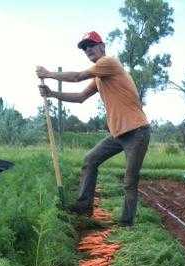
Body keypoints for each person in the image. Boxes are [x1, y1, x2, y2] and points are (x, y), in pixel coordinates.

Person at [36, 30, 150, 226]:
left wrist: (49, 74)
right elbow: (80, 97)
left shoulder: (109, 63)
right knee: (90, 160)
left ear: (102, 46)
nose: (88, 49)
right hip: (119, 134)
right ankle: (83, 207)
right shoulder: (99, 76)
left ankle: (126, 223)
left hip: (137, 131)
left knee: (130, 180)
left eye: (91, 45)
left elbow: (78, 76)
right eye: (85, 48)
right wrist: (52, 93)